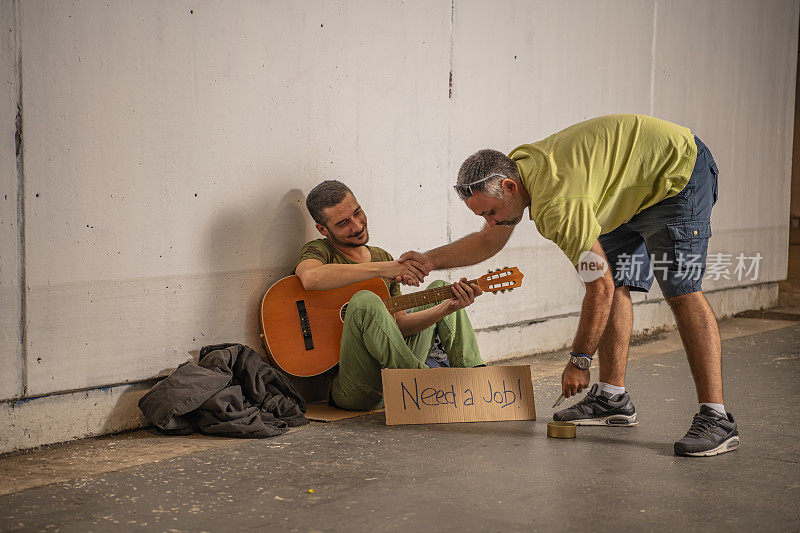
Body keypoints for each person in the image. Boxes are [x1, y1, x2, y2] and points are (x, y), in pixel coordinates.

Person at [399, 114, 739, 457]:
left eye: (490, 213)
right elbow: (489, 242)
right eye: (483, 216)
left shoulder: (558, 207)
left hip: (676, 173)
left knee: (680, 291)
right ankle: (612, 398)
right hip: (626, 188)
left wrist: (578, 361)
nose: (492, 222)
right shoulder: (519, 168)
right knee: (617, 281)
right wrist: (430, 260)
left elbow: (598, 288)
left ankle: (717, 418)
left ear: (509, 187)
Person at [293, 180, 486, 411]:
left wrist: (447, 308)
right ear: (323, 229)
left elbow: (400, 325)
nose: (356, 226)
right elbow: (310, 278)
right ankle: (421, 382)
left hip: (395, 384)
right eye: (343, 223)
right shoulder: (322, 250)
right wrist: (383, 268)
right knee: (365, 301)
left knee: (441, 288)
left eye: (358, 213)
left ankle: (480, 386)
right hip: (358, 388)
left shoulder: (380, 255)